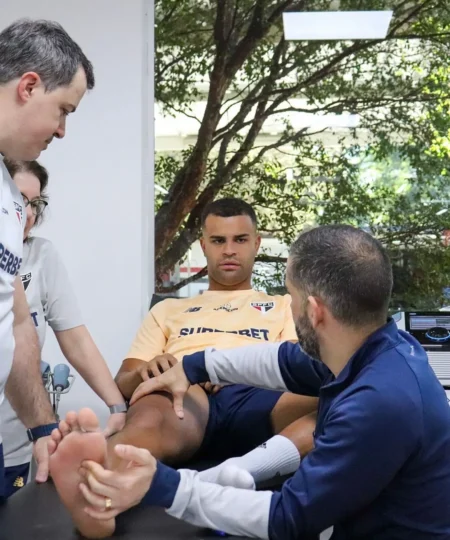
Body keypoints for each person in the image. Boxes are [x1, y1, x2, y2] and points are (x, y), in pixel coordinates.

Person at [50, 225, 450, 539]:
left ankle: (108, 480)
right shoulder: (378, 346)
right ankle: (104, 474)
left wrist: (167, 486)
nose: (287, 306)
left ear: (313, 311)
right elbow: (284, 361)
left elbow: (288, 518)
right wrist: (195, 366)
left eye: (290, 297)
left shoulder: (379, 402)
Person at [48, 197, 319, 538]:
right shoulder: (168, 311)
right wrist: (151, 370)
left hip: (261, 397)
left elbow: (297, 367)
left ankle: (244, 469)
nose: (229, 250)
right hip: (186, 397)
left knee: (332, 402)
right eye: (218, 241)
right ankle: (98, 492)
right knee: (151, 406)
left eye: (240, 240)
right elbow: (125, 382)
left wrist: (229, 370)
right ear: (203, 245)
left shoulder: (282, 305)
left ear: (256, 244)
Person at [0, 18, 94, 498]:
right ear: (29, 86)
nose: (61, 131)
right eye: (63, 110)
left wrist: (42, 428)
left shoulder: (12, 203)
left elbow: (16, 322)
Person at [0, 159, 127, 498]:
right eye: (18, 201)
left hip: (17, 439)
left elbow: (75, 337)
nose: (27, 214)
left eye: (35, 204)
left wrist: (117, 406)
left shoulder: (40, 255)